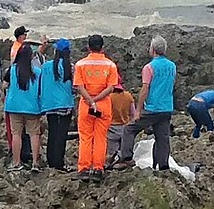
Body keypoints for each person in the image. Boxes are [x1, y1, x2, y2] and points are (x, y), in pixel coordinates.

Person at [114, 36, 175, 171]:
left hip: (152, 108)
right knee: (162, 138)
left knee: (129, 129)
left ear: (152, 50)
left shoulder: (149, 67)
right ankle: (163, 165)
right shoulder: (172, 66)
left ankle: (126, 158)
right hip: (167, 107)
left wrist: (138, 110)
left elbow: (145, 89)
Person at [73, 35, 119, 182]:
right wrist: (97, 99)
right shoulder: (110, 65)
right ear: (102, 48)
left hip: (86, 105)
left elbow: (79, 87)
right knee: (101, 138)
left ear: (88, 47)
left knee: (85, 137)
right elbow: (111, 87)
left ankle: (84, 168)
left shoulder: (80, 64)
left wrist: (90, 100)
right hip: (103, 105)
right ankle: (98, 168)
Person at [2, 44, 42, 172]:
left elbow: (4, 85)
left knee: (16, 134)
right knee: (34, 134)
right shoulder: (38, 72)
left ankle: (16, 162)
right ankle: (35, 163)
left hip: (14, 107)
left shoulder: (12, 70)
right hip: (32, 107)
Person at [40, 38, 74, 171]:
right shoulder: (69, 67)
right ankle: (59, 163)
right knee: (61, 134)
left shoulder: (46, 66)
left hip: (49, 104)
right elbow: (75, 87)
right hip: (65, 104)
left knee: (53, 133)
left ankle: (51, 161)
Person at [107, 78, 135, 161]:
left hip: (111, 129)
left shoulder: (109, 97)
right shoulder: (128, 96)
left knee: (112, 154)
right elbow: (133, 113)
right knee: (124, 151)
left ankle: (115, 162)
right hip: (125, 128)